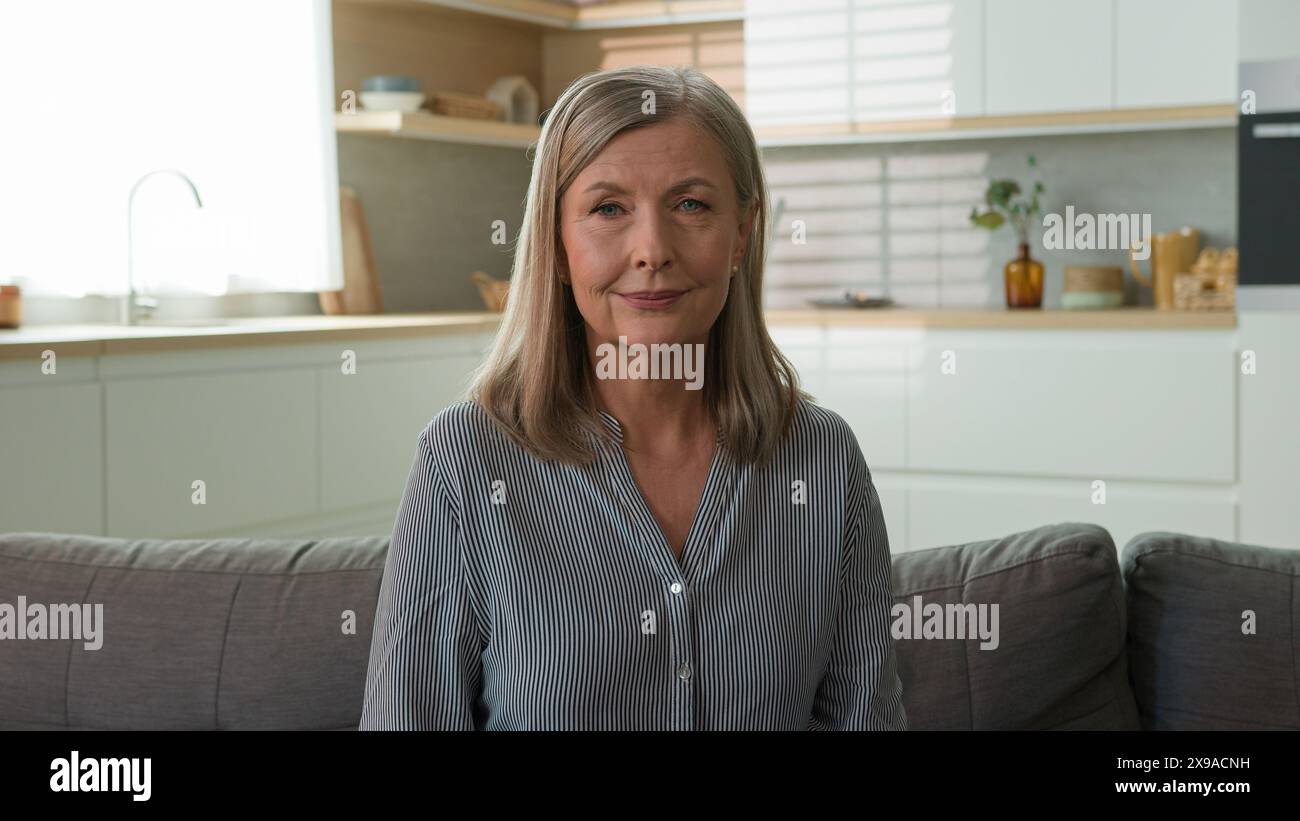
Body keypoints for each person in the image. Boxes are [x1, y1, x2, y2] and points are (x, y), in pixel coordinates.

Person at [359, 64, 907, 730]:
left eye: (691, 205)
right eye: (608, 208)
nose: (652, 250)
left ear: (741, 233)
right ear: (557, 245)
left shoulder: (824, 460)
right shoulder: (463, 460)